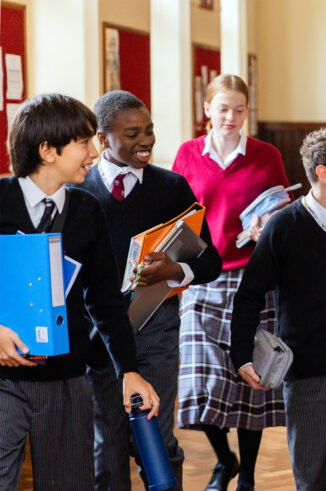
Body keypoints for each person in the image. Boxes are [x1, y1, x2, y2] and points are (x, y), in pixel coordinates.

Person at [0, 93, 159, 489]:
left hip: (69, 380)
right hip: (3, 379)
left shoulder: (87, 210)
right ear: (48, 150)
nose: (94, 151)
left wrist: (130, 370)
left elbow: (105, 301)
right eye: (84, 142)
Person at [230, 126, 326, 491]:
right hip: (306, 368)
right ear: (324, 174)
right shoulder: (283, 227)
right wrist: (242, 355)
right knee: (313, 471)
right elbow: (250, 293)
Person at [79, 90, 222, 489]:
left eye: (149, 131)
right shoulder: (79, 193)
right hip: (98, 341)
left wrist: (176, 269)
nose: (146, 141)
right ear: (103, 139)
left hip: (156, 332)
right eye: (132, 134)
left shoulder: (172, 188)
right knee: (105, 445)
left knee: (157, 442)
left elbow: (211, 261)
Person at [172, 74, 291, 491]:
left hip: (254, 278)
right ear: (207, 110)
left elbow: (283, 212)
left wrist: (268, 226)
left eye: (239, 109)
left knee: (251, 383)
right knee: (198, 380)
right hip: (202, 277)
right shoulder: (187, 154)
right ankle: (225, 460)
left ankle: (249, 479)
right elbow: (177, 217)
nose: (231, 117)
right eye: (223, 108)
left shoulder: (267, 155)